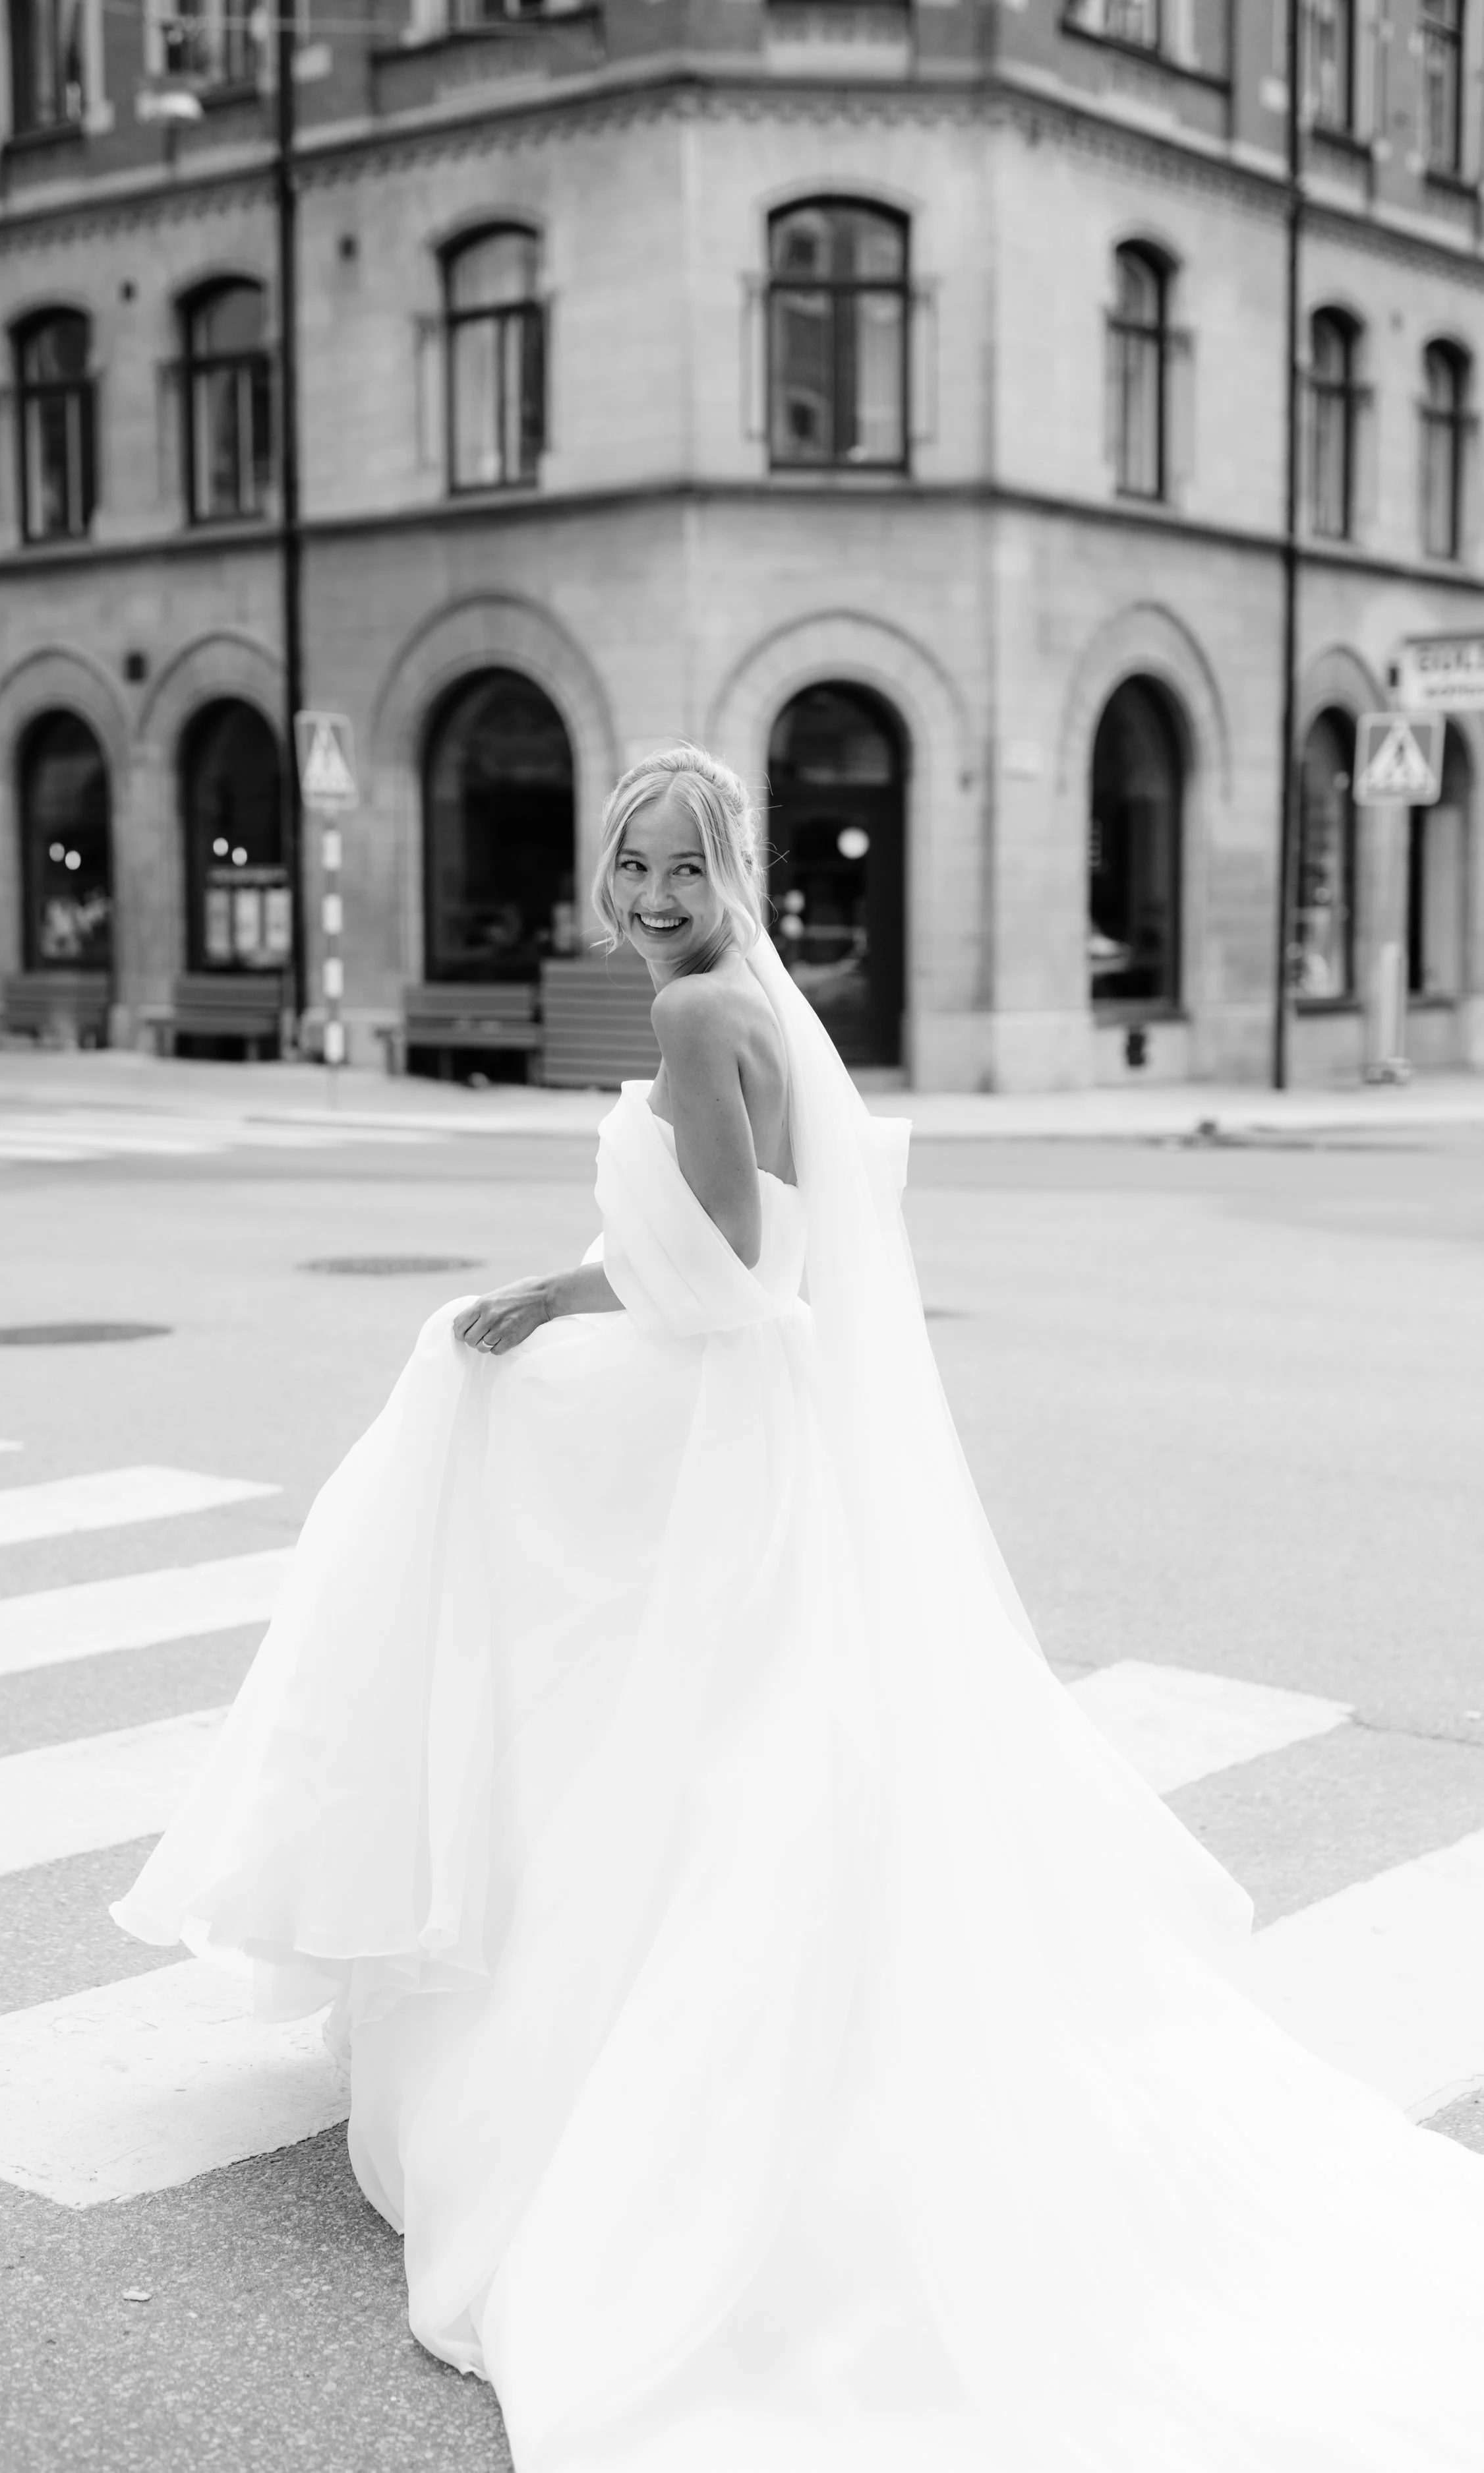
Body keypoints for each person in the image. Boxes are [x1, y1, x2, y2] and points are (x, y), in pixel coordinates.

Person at [115, 746, 1484, 2472]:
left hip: (717, 1427)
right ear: (606, 874)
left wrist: (541, 1319)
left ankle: (648, 2089)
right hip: (766, 1420)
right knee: (746, 1764)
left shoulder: (696, 1018)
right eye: (636, 862)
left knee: (622, 1680)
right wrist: (551, 1289)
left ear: (734, 869)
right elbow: (754, 1236)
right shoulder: (751, 1002)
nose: (658, 893)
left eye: (686, 864)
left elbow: (718, 1270)